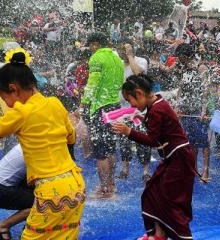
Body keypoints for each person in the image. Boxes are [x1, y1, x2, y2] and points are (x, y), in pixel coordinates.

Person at [0, 49, 85, 239]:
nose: (9, 105)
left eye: (5, 99)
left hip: (50, 191)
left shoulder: (21, 112)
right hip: (75, 185)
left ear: (14, 89)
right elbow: (71, 138)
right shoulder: (55, 103)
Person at [112, 74, 196, 240]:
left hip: (179, 159)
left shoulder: (157, 108)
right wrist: (142, 118)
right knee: (152, 192)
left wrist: (128, 132)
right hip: (175, 157)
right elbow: (159, 126)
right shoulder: (157, 103)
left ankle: (183, 236)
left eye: (131, 100)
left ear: (140, 93)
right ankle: (159, 234)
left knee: (171, 201)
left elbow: (152, 140)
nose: (131, 105)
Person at [80, 32, 124, 199]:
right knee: (110, 147)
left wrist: (84, 103)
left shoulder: (97, 57)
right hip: (115, 106)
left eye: (91, 45)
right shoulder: (117, 57)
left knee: (100, 151)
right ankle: (111, 184)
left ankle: (104, 190)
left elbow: (93, 84)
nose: (91, 49)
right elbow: (119, 82)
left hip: (100, 107)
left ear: (95, 44)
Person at [175, 43, 211, 182]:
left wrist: (203, 110)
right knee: (190, 142)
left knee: (204, 142)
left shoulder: (201, 68)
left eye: (179, 57)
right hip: (187, 110)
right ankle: (194, 167)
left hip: (199, 110)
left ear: (183, 56)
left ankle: (206, 170)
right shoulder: (185, 69)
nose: (178, 59)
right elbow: (181, 89)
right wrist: (177, 106)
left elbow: (206, 90)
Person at [117, 42, 151, 181]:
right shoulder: (118, 63)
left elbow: (139, 75)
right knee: (124, 140)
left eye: (124, 51)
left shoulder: (140, 61)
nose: (121, 54)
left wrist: (130, 56)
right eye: (120, 51)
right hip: (122, 109)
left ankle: (145, 172)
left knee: (143, 139)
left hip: (140, 110)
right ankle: (125, 169)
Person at [0, 144, 34, 240]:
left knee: (41, 194)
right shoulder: (40, 146)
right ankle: (3, 226)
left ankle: (29, 226)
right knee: (43, 204)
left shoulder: (31, 139)